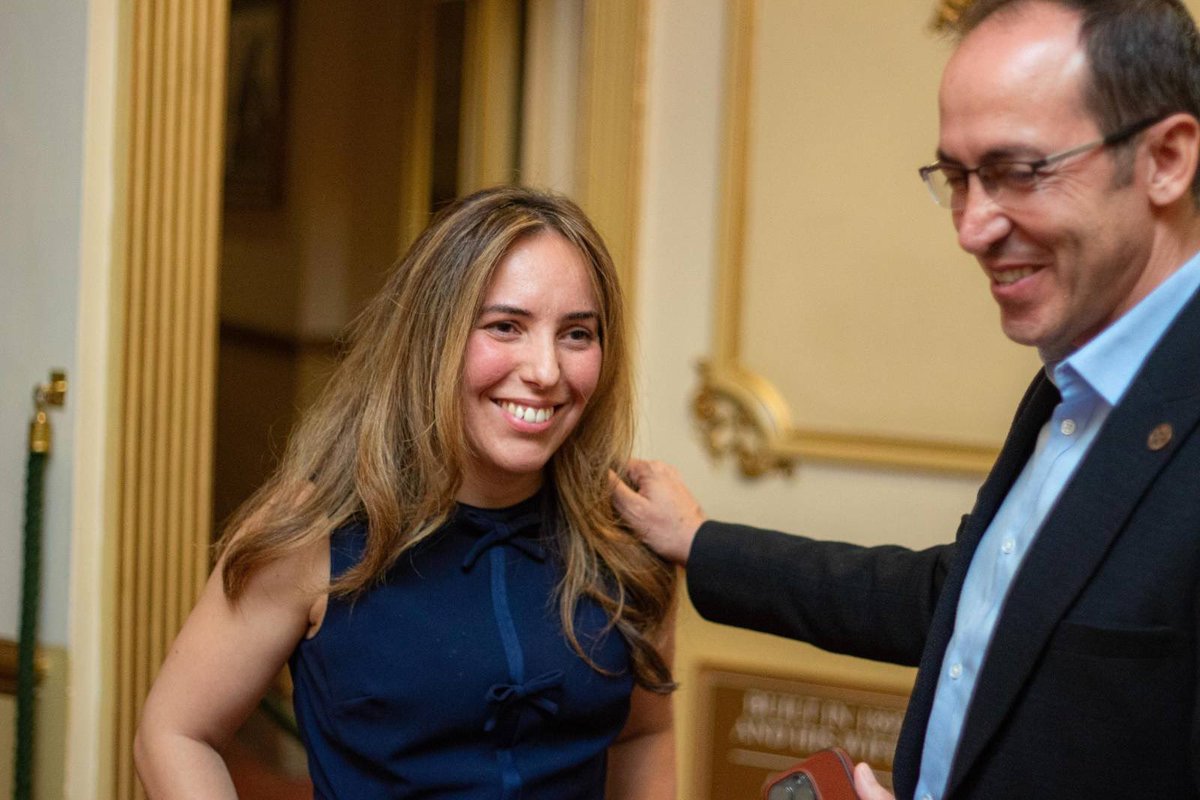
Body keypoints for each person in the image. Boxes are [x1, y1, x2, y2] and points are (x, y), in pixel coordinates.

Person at [613, 0, 1200, 797]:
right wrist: (701, 541)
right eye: (957, 179)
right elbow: (975, 601)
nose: (972, 227)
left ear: (1166, 158)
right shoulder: (1077, 379)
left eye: (1017, 172)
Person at [134, 185, 677, 799]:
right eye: (505, 326)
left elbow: (642, 736)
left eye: (577, 334)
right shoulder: (312, 528)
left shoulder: (627, 537)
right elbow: (176, 732)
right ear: (431, 338)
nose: (546, 371)